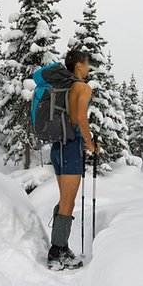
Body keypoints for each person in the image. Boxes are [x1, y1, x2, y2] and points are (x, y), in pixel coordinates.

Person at [47, 49, 101, 270]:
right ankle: (57, 253)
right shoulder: (82, 87)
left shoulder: (64, 87)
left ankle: (60, 246)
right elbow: (79, 118)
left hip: (58, 147)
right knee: (68, 201)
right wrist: (90, 144)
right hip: (70, 147)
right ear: (78, 65)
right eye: (87, 63)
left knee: (65, 200)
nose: (89, 68)